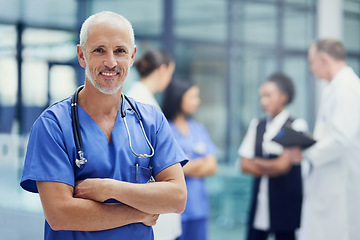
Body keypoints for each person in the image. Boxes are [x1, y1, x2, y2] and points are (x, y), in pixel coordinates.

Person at [20, 11, 188, 240]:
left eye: (120, 51)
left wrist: (110, 189)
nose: (111, 62)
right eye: (99, 50)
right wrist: (139, 212)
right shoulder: (53, 126)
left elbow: (177, 198)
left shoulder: (151, 121)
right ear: (81, 55)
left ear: (132, 56)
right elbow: (60, 215)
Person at [287, 39, 360, 240]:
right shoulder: (336, 88)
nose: (311, 68)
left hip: (340, 186)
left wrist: (305, 152)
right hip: (328, 181)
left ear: (325, 60)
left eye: (312, 62)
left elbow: (341, 140)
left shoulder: (346, 88)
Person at [238, 72, 308, 240]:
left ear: (283, 97)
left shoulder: (297, 125)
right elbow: (244, 165)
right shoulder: (257, 124)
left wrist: (257, 162)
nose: (263, 101)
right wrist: (273, 164)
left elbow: (283, 167)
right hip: (259, 203)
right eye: (261, 96)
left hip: (286, 206)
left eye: (268, 96)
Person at [127, 49, 181, 240]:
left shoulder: (146, 102)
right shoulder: (140, 104)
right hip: (147, 203)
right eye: (170, 74)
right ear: (162, 70)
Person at [162, 78, 218, 240]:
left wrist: (183, 167)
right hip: (175, 211)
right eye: (193, 96)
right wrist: (199, 164)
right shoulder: (165, 128)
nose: (197, 101)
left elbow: (212, 166)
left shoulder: (198, 128)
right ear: (179, 97)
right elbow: (166, 169)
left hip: (199, 207)